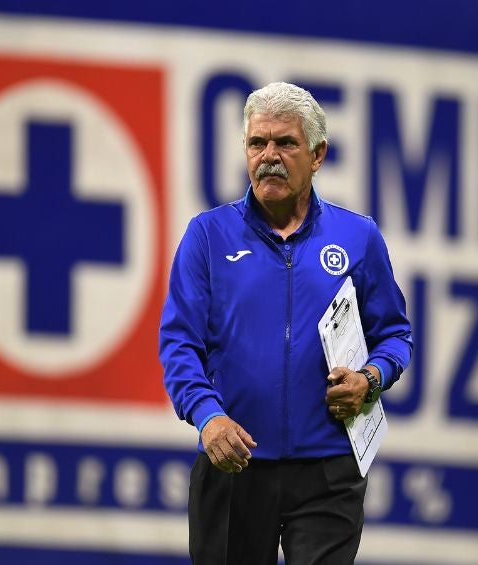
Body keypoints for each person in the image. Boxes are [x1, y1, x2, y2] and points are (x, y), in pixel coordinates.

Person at [159, 81, 412, 564]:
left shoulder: (358, 237)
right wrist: (208, 416)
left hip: (328, 470)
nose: (268, 156)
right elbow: (179, 344)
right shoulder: (208, 235)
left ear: (318, 155)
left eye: (285, 143)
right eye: (257, 143)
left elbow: (395, 335)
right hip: (233, 460)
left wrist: (370, 378)